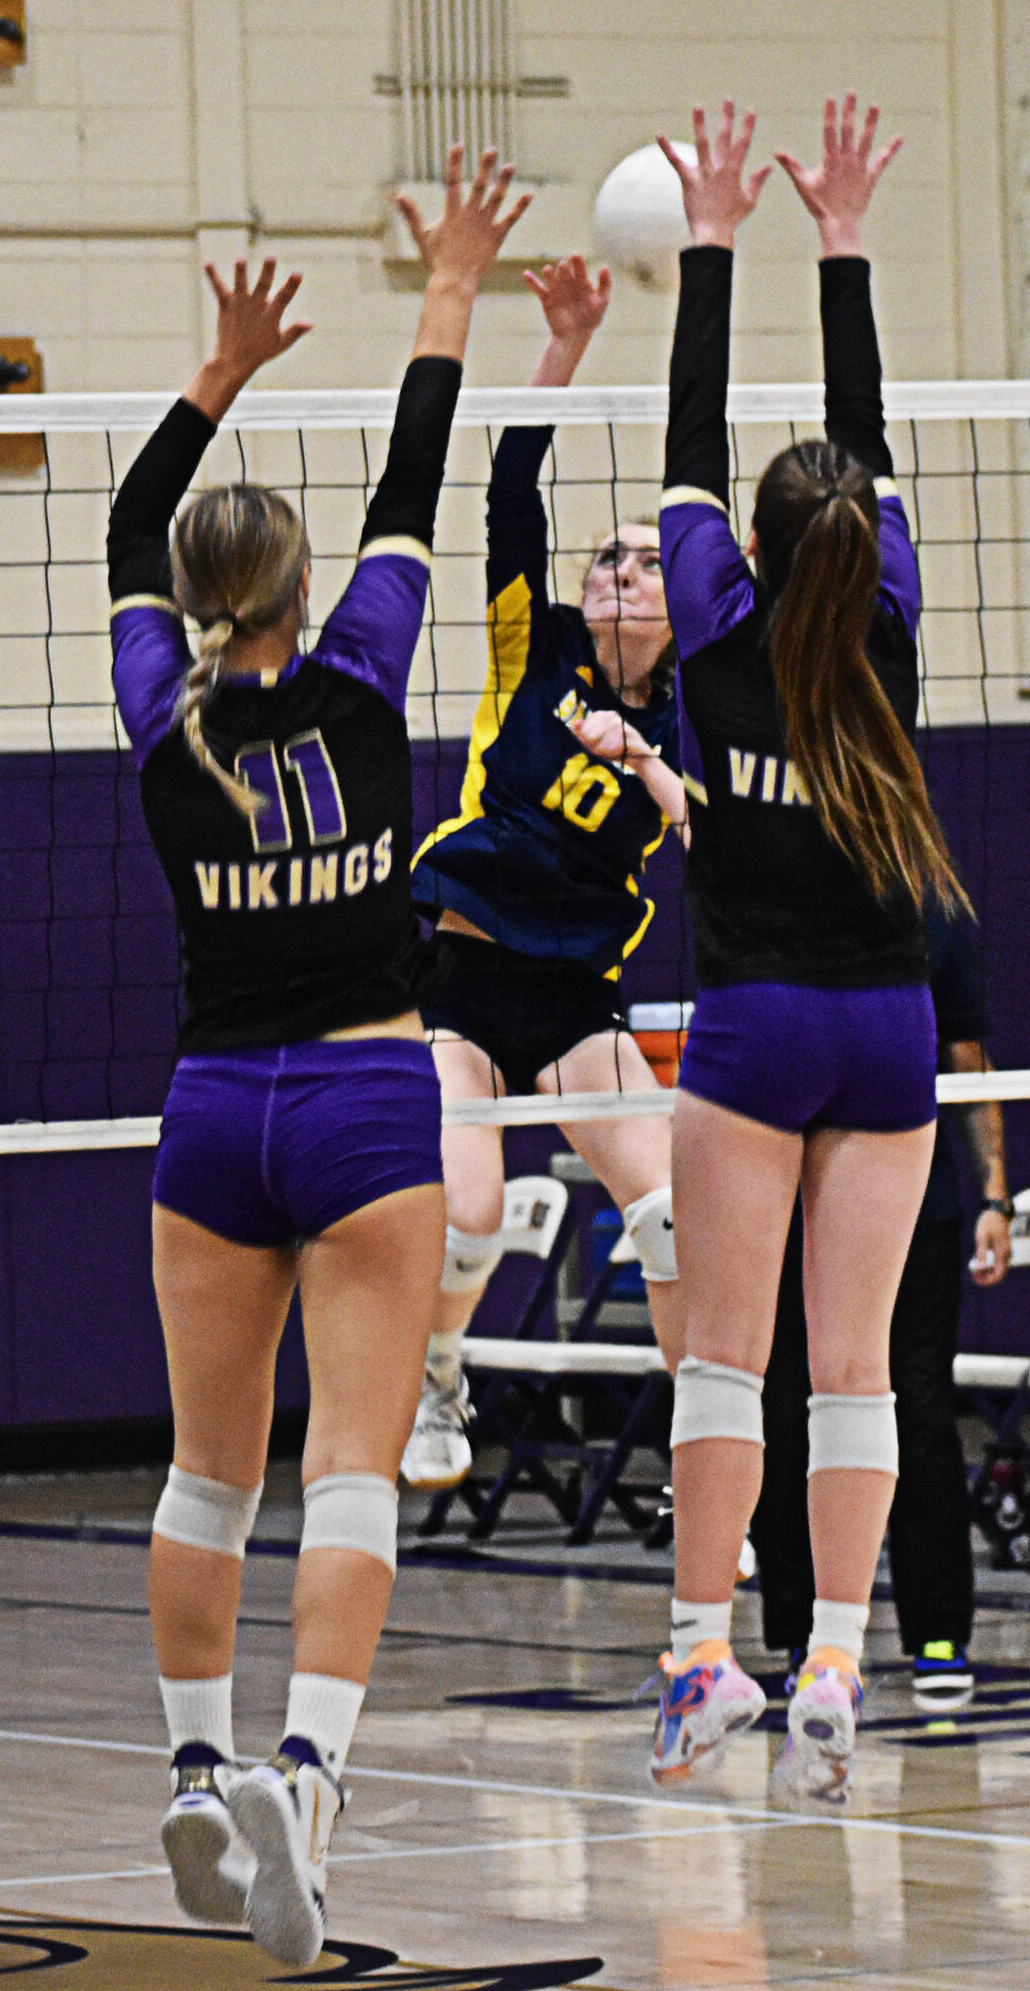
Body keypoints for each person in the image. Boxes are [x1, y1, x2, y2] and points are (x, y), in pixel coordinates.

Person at [106, 154, 527, 1968]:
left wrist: (218, 372)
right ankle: (311, 1781)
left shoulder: (158, 711)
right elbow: (418, 462)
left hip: (215, 1110)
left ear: (202, 601)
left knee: (210, 1472)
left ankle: (197, 1778)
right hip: (367, 1098)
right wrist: (446, 281)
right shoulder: (363, 672)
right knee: (352, 1464)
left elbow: (131, 536)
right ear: (301, 584)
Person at [646, 96, 959, 1808]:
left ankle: (707, 1658)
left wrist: (719, 240)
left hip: (756, 1029)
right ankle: (836, 1658)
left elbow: (685, 435)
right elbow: (868, 439)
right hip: (890, 1032)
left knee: (722, 1355)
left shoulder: (712, 623)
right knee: (857, 1370)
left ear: (754, 554)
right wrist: (845, 249)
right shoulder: (887, 627)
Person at [403, 252, 687, 1490]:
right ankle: (437, 1376)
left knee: (676, 1214)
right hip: (459, 974)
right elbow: (510, 479)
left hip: (577, 999)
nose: (611, 570)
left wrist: (648, 764)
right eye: (604, 559)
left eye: (641, 562)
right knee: (469, 1212)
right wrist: (564, 342)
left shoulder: (696, 715)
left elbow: (709, 839)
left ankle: (707, 1439)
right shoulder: (535, 648)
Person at [749, 898, 1012, 1715]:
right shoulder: (766, 904)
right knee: (786, 1402)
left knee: (919, 1409)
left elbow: (969, 1058)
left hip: (914, 1202)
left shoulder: (929, 917)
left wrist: (996, 1191)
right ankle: (803, 1636)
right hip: (789, 1197)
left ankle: (938, 1633)